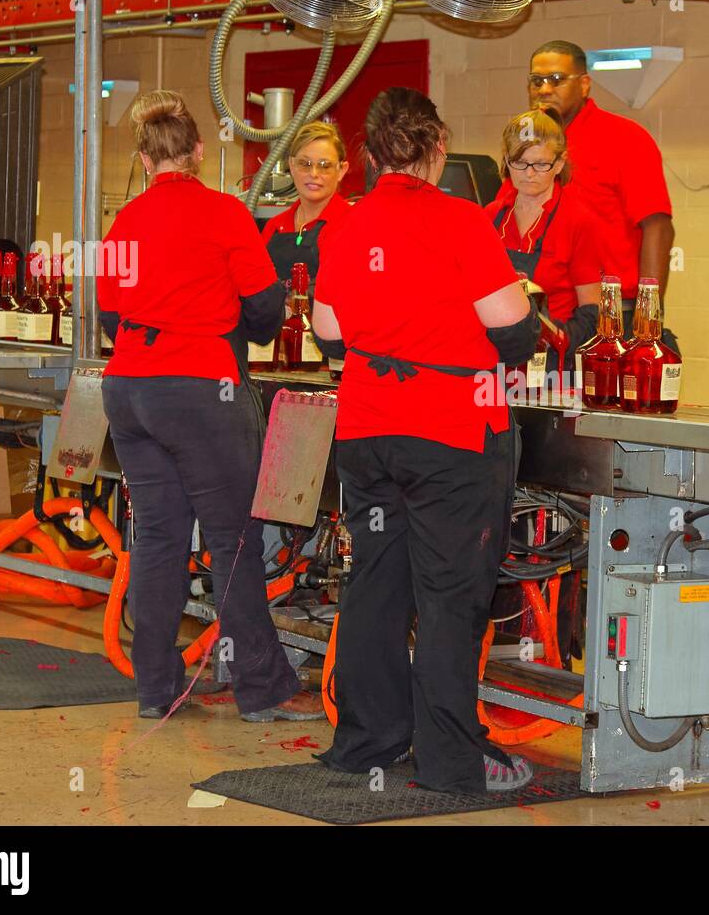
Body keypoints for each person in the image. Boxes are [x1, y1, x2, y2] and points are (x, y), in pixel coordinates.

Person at [310, 87, 539, 794]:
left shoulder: (343, 227)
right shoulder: (462, 221)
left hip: (369, 432)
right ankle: (448, 761)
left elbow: (327, 334)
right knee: (449, 598)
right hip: (451, 434)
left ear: (371, 155)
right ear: (437, 147)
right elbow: (514, 329)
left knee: (376, 586)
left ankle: (367, 742)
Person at [98, 90, 319, 723]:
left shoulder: (125, 223)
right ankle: (262, 688)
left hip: (128, 389)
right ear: (198, 152)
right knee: (232, 540)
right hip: (199, 387)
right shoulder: (225, 214)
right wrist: (232, 332)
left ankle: (155, 688)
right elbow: (267, 308)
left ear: (144, 160)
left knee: (160, 539)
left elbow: (110, 315)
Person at [527, 39, 675, 341]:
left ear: (584, 84)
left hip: (615, 311)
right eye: (536, 81)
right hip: (544, 308)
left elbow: (658, 227)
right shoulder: (527, 143)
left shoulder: (624, 138)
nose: (544, 89)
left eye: (556, 79)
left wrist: (648, 319)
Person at [484, 106, 603, 375]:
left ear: (559, 164)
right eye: (520, 163)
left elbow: (591, 311)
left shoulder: (578, 221)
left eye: (540, 164)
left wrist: (559, 342)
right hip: (497, 361)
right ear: (506, 160)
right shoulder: (491, 217)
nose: (529, 174)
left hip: (553, 365)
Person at [260, 120, 352, 295]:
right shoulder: (274, 227)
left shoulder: (352, 225)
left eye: (325, 166)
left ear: (341, 170)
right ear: (292, 166)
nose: (314, 174)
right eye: (305, 164)